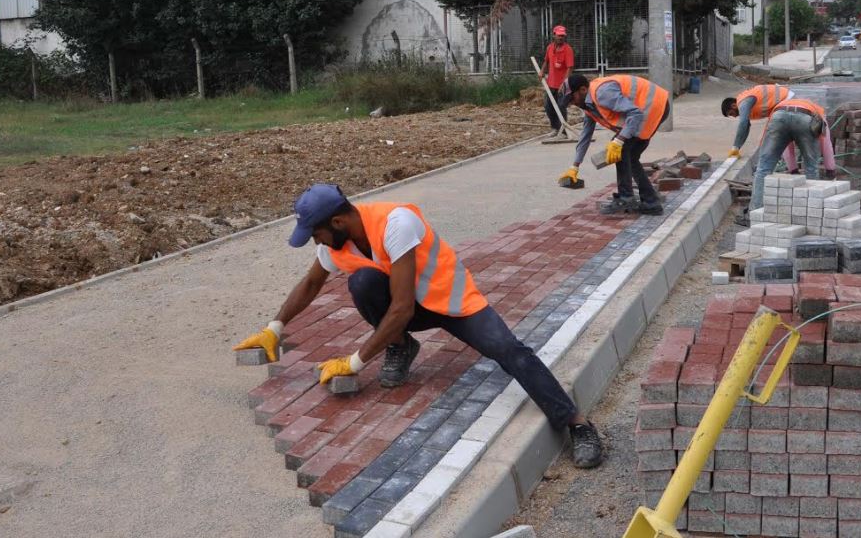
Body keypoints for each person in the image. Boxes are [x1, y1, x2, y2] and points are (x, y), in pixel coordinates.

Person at [233, 184, 605, 468]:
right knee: (361, 283)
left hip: (451, 303)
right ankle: (401, 346)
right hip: (407, 309)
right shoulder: (336, 244)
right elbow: (311, 284)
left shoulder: (395, 223)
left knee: (509, 351)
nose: (316, 241)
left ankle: (577, 424)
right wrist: (275, 328)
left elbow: (401, 307)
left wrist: (355, 362)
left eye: (316, 233)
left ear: (337, 222)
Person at [556, 74, 670, 215]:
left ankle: (626, 198)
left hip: (653, 105)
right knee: (630, 156)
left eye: (572, 98)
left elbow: (635, 113)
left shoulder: (602, 93)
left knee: (620, 149)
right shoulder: (589, 106)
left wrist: (618, 140)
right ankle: (651, 202)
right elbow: (585, 136)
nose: (572, 103)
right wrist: (574, 166)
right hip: (652, 106)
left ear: (583, 89)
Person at [749, 97, 828, 211]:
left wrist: (792, 169)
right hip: (805, 118)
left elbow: (785, 148)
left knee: (763, 168)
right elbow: (825, 144)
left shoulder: (783, 104)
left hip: (778, 116)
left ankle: (755, 211)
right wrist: (830, 170)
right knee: (811, 167)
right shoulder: (819, 114)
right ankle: (812, 211)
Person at [720, 84, 794, 158]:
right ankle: (791, 166)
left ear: (734, 106)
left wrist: (735, 147)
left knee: (774, 136)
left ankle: (781, 161)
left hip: (786, 100)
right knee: (780, 135)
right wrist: (737, 148)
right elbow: (745, 128)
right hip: (785, 101)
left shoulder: (743, 102)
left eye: (732, 113)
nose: (735, 116)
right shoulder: (746, 105)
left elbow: (743, 123)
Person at [539, 25, 575, 136]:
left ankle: (563, 131)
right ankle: (555, 128)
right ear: (554, 35)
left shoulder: (567, 49)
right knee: (548, 106)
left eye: (563, 36)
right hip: (551, 83)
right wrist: (542, 71)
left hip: (562, 85)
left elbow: (570, 67)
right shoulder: (550, 48)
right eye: (559, 35)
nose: (561, 37)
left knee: (561, 106)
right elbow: (546, 61)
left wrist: (564, 84)